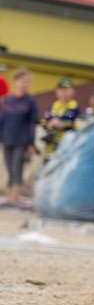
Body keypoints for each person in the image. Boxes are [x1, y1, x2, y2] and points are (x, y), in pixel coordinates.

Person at [0, 67, 38, 209]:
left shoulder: (30, 101)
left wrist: (31, 143)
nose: (24, 83)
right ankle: (9, 198)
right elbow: (2, 120)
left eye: (27, 81)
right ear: (15, 81)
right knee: (10, 170)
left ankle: (15, 200)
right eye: (22, 80)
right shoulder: (8, 100)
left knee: (17, 169)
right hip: (7, 139)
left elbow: (32, 124)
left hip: (22, 141)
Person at [41, 77, 80, 162]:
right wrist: (49, 124)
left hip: (67, 149)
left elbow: (77, 124)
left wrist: (62, 124)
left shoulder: (75, 108)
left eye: (66, 90)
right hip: (50, 149)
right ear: (56, 92)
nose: (63, 92)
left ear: (72, 91)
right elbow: (44, 121)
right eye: (61, 90)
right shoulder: (52, 106)